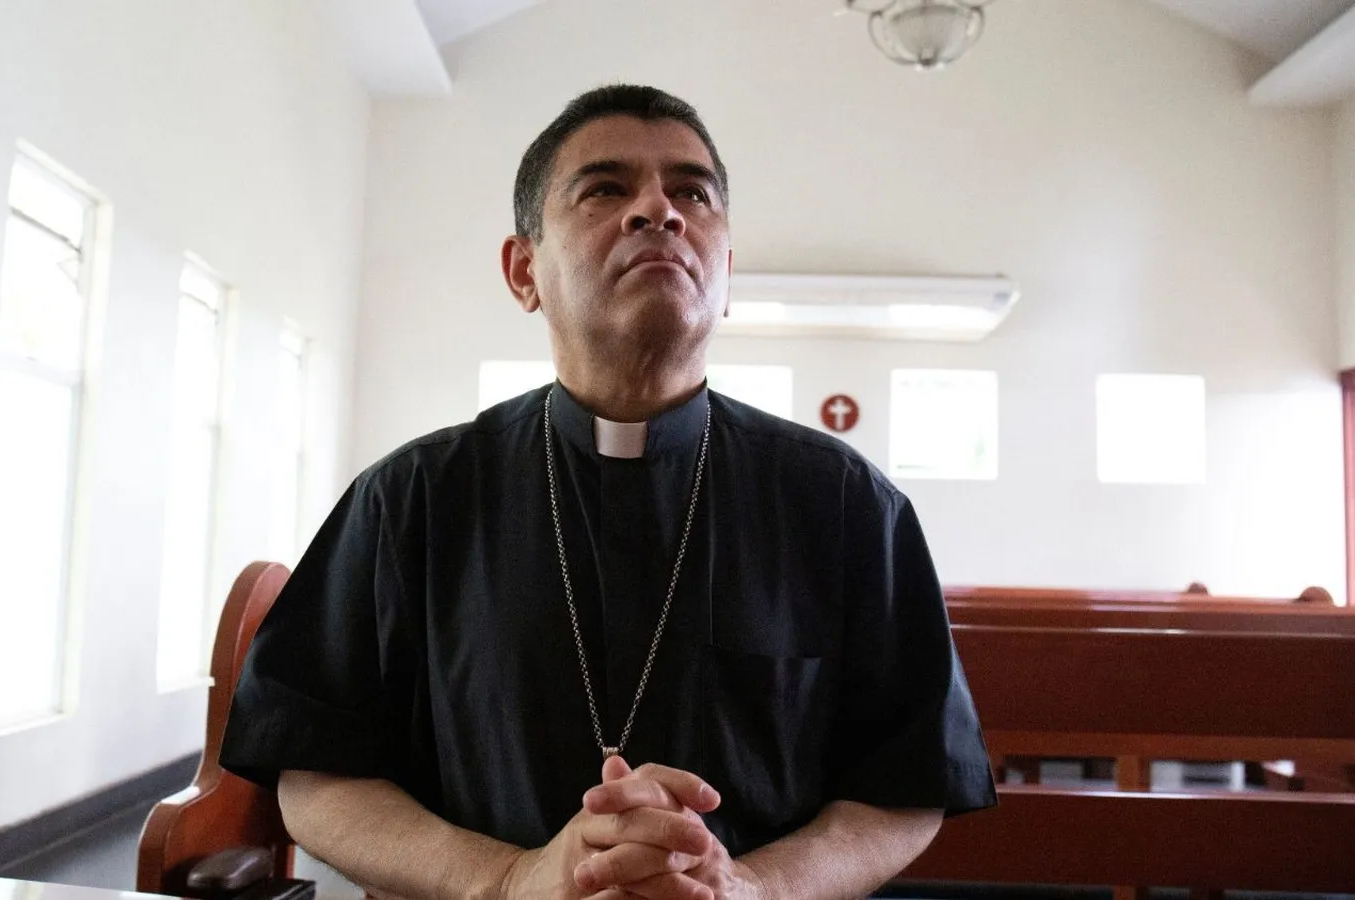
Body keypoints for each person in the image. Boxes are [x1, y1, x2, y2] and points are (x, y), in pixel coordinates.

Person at [220, 84, 996, 900]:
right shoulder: (410, 499)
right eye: (604, 188)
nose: (659, 210)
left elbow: (907, 784)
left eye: (692, 192)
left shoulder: (844, 503)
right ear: (524, 271)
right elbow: (314, 776)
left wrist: (757, 889)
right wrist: (508, 880)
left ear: (725, 275)